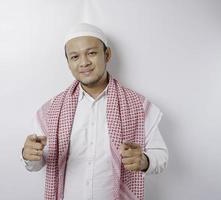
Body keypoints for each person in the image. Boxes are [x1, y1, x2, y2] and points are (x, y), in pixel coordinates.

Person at [21, 23, 168, 200]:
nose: (84, 62)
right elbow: (38, 163)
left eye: (91, 53)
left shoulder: (137, 105)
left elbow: (161, 156)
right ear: (68, 63)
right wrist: (28, 156)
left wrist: (144, 161)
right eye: (75, 57)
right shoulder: (52, 109)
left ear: (107, 55)